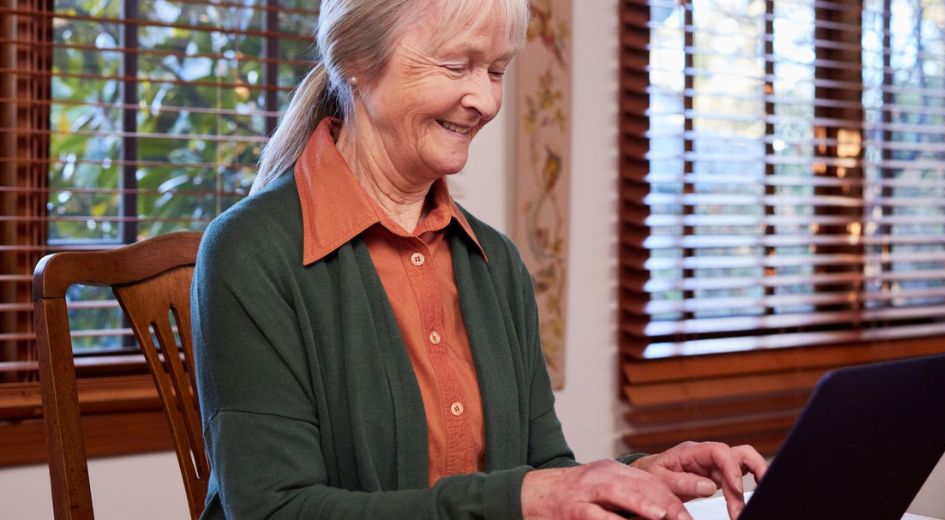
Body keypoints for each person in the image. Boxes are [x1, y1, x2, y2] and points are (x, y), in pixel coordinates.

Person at [192, 0, 767, 518]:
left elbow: (543, 467)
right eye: (455, 66)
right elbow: (275, 510)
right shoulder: (248, 253)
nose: (486, 100)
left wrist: (632, 478)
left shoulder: (496, 261)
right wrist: (518, 499)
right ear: (356, 61)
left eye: (496, 71)